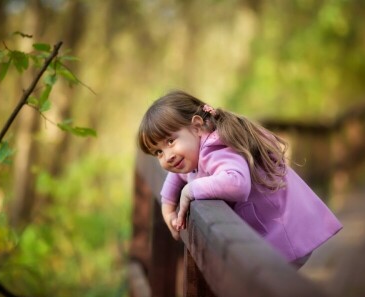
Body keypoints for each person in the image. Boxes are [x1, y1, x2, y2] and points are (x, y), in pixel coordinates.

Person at [137, 90, 342, 268]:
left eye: (170, 141)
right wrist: (169, 213)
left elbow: (237, 183)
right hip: (274, 230)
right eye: (158, 152)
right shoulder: (188, 154)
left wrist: (190, 190)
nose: (167, 156)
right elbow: (173, 184)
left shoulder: (216, 148)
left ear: (197, 127)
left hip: (285, 231)